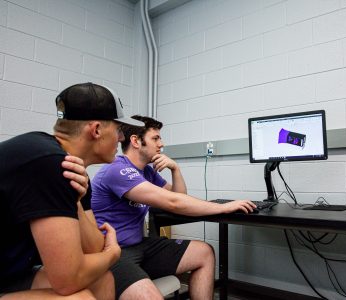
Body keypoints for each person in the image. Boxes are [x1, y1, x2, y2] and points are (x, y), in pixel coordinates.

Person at [0, 82, 145, 299]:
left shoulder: (75, 173)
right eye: (119, 130)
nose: (121, 138)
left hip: (9, 274)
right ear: (96, 130)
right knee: (79, 298)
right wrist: (113, 254)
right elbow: (68, 280)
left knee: (102, 280)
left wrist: (75, 203)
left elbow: (93, 249)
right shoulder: (50, 163)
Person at [91, 115, 256, 300]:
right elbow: (174, 203)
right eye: (155, 138)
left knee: (204, 253)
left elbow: (179, 198)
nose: (161, 144)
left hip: (139, 246)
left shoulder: (146, 172)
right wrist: (223, 207)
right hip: (113, 252)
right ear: (136, 141)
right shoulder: (117, 169)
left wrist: (175, 169)